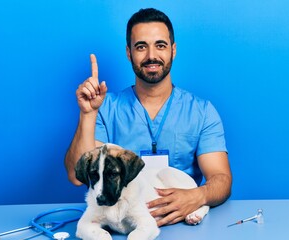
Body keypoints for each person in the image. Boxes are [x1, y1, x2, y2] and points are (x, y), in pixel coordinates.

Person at [65, 8, 232, 227]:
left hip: (184, 225)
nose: (151, 55)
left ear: (173, 50)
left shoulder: (202, 112)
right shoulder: (106, 109)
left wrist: (198, 196)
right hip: (122, 222)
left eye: (160, 45)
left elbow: (221, 178)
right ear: (128, 53)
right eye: (141, 47)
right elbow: (76, 176)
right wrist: (87, 114)